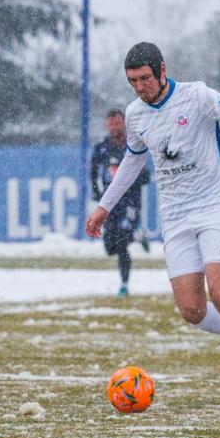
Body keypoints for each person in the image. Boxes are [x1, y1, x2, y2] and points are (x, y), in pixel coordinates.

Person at [85, 42, 220, 409]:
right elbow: (133, 162)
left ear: (162, 71)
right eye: (133, 81)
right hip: (177, 216)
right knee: (191, 310)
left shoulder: (197, 96)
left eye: (145, 78)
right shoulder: (136, 115)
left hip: (217, 206)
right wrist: (104, 207)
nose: (140, 87)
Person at [90, 109, 151, 297]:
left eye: (118, 123)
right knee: (110, 247)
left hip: (130, 203)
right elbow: (93, 172)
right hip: (111, 203)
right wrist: (98, 193)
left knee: (122, 241)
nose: (115, 127)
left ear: (124, 123)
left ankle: (124, 285)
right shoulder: (101, 148)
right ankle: (138, 237)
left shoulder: (133, 145)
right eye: (111, 124)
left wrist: (128, 180)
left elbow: (146, 176)